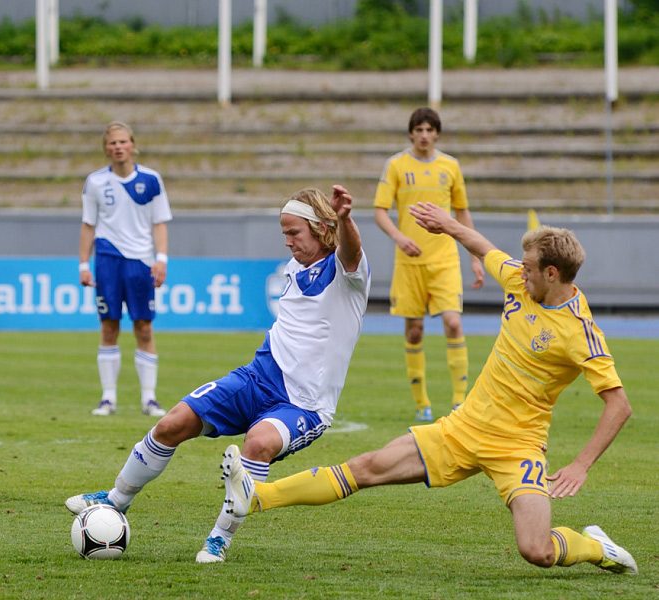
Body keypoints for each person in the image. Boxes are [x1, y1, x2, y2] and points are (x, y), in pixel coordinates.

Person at [220, 202, 637, 575]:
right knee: (365, 468)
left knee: (537, 551)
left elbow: (618, 405)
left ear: (552, 273)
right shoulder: (518, 280)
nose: (518, 270)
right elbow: (482, 246)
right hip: (462, 429)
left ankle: (594, 545)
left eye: (528, 268)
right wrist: (446, 224)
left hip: (518, 446)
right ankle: (255, 497)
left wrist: (581, 464)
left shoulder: (580, 333)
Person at [66, 185, 371, 563]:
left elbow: (352, 251)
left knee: (258, 442)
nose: (288, 242)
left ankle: (218, 539)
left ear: (321, 228)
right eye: (284, 233)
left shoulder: (347, 273)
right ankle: (116, 500)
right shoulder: (295, 268)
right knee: (172, 423)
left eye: (294, 233)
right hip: (257, 378)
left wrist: (344, 219)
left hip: (304, 405)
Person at [374, 107, 485, 421]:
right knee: (415, 331)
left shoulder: (450, 167)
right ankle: (422, 404)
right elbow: (380, 210)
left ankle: (460, 401)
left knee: (453, 323)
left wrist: (474, 256)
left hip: (445, 261)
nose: (424, 135)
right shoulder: (395, 165)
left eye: (429, 130)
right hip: (409, 264)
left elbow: (462, 213)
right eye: (418, 129)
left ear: (437, 133)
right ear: (411, 133)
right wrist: (399, 237)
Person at [79, 121, 172, 417]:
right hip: (107, 259)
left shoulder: (151, 179)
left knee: (144, 327)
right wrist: (84, 263)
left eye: (122, 142)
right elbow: (88, 225)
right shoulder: (94, 182)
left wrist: (161, 259)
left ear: (132, 145)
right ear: (106, 148)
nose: (118, 147)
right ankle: (108, 398)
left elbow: (159, 223)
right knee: (109, 325)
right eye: (112, 143)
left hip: (141, 262)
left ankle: (149, 399)